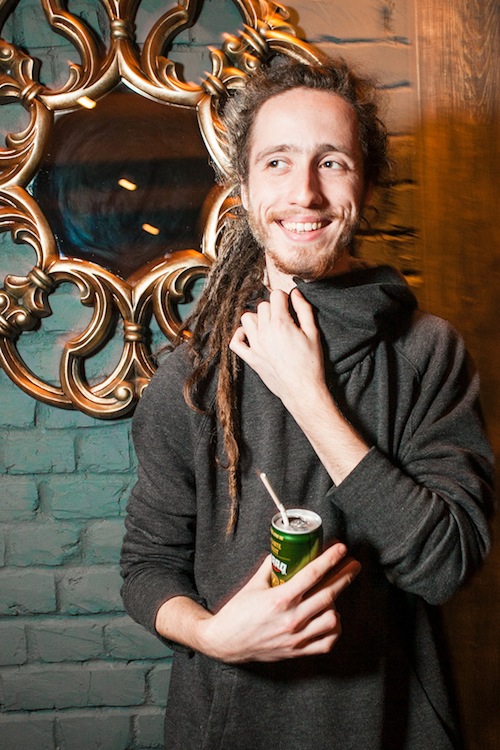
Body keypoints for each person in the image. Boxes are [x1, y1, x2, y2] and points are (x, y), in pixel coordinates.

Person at [120, 55, 494, 749]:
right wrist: (212, 634)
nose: (305, 192)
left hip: (394, 728)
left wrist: (307, 395)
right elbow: (147, 567)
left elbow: (445, 565)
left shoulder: (427, 352)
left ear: (368, 185)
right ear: (243, 187)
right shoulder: (191, 377)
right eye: (278, 162)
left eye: (332, 163)